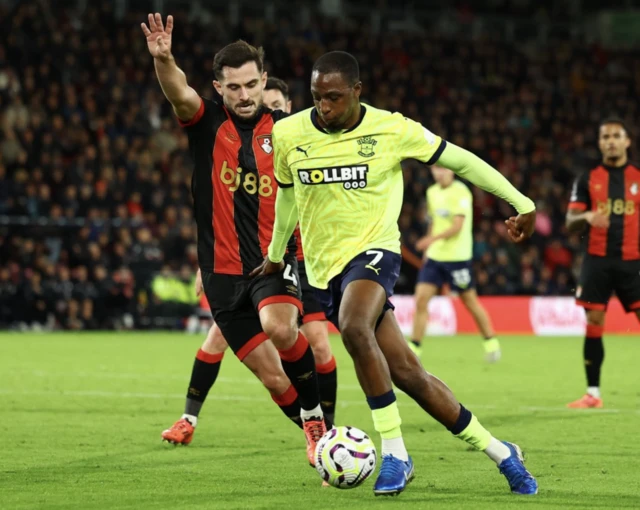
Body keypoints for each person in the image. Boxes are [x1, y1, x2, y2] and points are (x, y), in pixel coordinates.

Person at [252, 51, 538, 496]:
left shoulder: (391, 128)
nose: (324, 107)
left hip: (375, 252)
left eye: (334, 97)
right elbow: (287, 199)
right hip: (323, 269)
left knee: (352, 326)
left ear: (357, 92)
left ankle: (396, 455)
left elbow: (460, 159)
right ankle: (502, 453)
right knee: (408, 374)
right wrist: (274, 253)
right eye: (316, 97)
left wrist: (521, 202)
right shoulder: (288, 133)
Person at [141, 14, 326, 464]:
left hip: (270, 263)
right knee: (272, 379)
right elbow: (178, 91)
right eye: (234, 87)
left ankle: (318, 421)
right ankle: (322, 440)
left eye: (251, 85)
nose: (244, 96)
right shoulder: (206, 123)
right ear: (219, 87)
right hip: (221, 273)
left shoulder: (287, 132)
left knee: (281, 328)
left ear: (264, 81)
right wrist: (164, 59)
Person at [162, 78, 338, 443]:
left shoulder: (302, 146)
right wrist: (206, 261)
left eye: (274, 102)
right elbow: (227, 213)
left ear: (287, 106)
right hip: (241, 265)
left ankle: (328, 428)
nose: (264, 108)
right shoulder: (245, 150)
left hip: (302, 261)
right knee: (223, 344)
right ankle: (188, 419)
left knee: (316, 344)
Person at [566, 117, 640, 409]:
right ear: (599, 143)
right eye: (605, 136)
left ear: (626, 141)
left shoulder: (637, 176)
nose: (610, 140)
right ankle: (592, 393)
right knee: (594, 323)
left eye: (616, 136)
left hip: (633, 262)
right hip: (597, 261)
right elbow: (570, 222)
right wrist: (586, 217)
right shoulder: (588, 178)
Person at [410, 165, 500, 363]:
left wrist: (430, 240)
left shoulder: (461, 192)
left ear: (451, 171)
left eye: (443, 168)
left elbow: (457, 227)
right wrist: (428, 248)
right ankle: (414, 347)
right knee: (421, 300)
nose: (439, 172)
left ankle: (491, 342)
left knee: (469, 301)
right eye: (436, 168)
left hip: (457, 258)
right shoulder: (431, 191)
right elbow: (434, 221)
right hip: (435, 257)